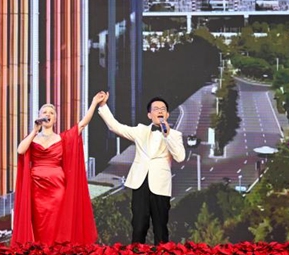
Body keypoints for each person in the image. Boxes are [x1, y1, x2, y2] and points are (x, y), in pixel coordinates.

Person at [11, 92, 106, 246]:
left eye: (51, 113)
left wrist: (94, 103)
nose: (48, 114)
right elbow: (20, 151)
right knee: (38, 224)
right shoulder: (33, 138)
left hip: (56, 188)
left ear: (55, 119)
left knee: (56, 222)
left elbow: (82, 124)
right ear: (40, 117)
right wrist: (34, 130)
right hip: (36, 188)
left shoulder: (62, 138)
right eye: (44, 112)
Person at [96, 94, 186, 244]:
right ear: (149, 115)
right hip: (140, 182)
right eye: (156, 109)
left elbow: (180, 157)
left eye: (163, 109)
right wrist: (103, 106)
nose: (159, 111)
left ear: (167, 114)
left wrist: (167, 134)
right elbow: (115, 127)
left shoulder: (175, 135)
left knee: (160, 226)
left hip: (160, 185)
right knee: (138, 225)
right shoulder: (140, 131)